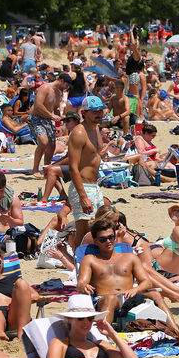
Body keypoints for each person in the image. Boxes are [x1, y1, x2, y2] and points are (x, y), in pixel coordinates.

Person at [77, 219, 179, 331]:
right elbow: (82, 282)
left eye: (111, 237)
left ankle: (175, 331)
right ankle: (100, 336)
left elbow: (146, 282)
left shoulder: (130, 257)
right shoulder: (90, 259)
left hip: (130, 297)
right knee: (111, 299)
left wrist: (136, 290)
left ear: (115, 237)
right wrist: (82, 286)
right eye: (103, 239)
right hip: (105, 299)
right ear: (95, 241)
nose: (108, 241)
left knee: (155, 294)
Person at [68, 96, 105, 248]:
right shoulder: (79, 133)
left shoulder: (96, 129)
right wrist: (83, 196)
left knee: (98, 229)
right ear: (84, 112)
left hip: (94, 186)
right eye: (95, 111)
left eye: (101, 110)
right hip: (82, 187)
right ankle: (77, 266)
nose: (99, 114)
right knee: (84, 233)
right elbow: (73, 167)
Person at [28, 73, 71, 177]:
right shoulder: (45, 87)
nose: (67, 88)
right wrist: (52, 116)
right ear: (61, 81)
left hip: (46, 119)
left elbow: (55, 108)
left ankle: (46, 169)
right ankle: (35, 169)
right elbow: (38, 105)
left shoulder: (58, 93)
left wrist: (60, 118)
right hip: (35, 117)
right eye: (66, 85)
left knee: (52, 145)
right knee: (43, 142)